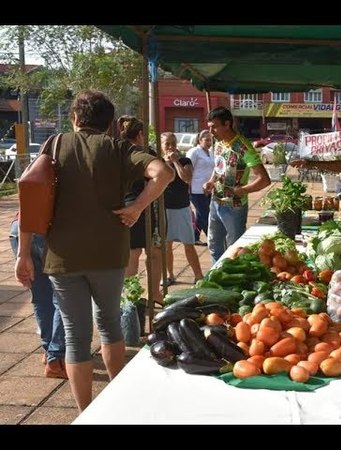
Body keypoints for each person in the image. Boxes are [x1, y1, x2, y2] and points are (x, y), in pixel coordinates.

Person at [14, 90, 174, 413]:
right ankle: (118, 401)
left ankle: (86, 413)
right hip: (108, 253)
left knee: (75, 336)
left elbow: (30, 194)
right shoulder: (120, 148)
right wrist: (138, 207)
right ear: (111, 123)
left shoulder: (55, 145)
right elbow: (164, 173)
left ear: (75, 118)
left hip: (63, 256)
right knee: (110, 325)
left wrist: (23, 253)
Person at [203, 107, 271, 263]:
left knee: (235, 249)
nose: (211, 131)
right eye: (209, 127)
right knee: (214, 244)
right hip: (215, 202)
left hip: (234, 207)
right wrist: (211, 181)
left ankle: (232, 281)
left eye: (214, 126)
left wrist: (243, 190)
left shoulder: (243, 147)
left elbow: (264, 179)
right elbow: (218, 167)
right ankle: (217, 274)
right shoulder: (219, 143)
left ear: (227, 124)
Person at [9, 214, 67, 379]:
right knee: (64, 297)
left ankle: (50, 352)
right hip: (51, 229)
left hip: (20, 229)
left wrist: (22, 254)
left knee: (41, 298)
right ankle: (57, 358)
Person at [117, 115, 164, 307]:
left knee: (132, 254)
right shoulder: (147, 154)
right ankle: (154, 293)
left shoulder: (117, 152)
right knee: (153, 252)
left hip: (125, 206)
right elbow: (162, 177)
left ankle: (131, 296)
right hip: (146, 207)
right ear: (139, 134)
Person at [160, 132, 204, 285]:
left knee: (188, 244)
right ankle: (169, 275)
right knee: (166, 245)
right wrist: (166, 164)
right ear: (161, 146)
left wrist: (175, 162)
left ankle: (198, 275)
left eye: (173, 143)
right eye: (167, 144)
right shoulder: (158, 162)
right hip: (164, 208)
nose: (171, 147)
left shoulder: (185, 160)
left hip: (182, 208)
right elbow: (160, 179)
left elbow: (186, 178)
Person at [186, 129, 214, 246]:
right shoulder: (194, 152)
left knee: (201, 214)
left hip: (208, 189)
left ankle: (194, 237)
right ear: (200, 140)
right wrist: (187, 186)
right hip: (196, 189)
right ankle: (212, 238)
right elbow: (187, 170)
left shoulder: (211, 153)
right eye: (206, 140)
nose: (209, 142)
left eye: (210, 140)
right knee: (205, 213)